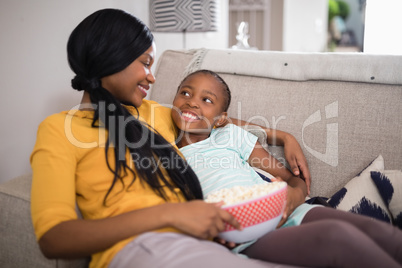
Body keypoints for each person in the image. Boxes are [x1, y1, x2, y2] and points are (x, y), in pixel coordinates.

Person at [30, 8, 313, 268]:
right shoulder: (59, 129)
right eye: (145, 63)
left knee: (335, 244)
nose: (152, 79)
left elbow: (207, 118)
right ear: (111, 58)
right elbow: (53, 238)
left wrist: (281, 135)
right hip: (141, 247)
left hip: (202, 241)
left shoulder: (151, 113)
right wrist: (170, 215)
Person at [171, 69, 402, 268]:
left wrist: (293, 196)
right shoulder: (162, 151)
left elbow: (291, 179)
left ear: (222, 119)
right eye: (185, 93)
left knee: (381, 233)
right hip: (241, 233)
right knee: (337, 237)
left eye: (207, 100)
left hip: (284, 209)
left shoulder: (229, 135)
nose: (191, 102)